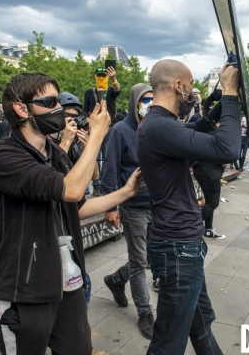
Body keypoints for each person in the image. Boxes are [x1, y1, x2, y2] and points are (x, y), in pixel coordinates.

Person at [0, 73, 141, 355]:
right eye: (50, 101)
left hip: (66, 282)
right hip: (24, 289)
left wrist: (126, 193)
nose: (59, 108)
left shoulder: (54, 151)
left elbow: (76, 207)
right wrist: (97, 137)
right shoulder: (3, 156)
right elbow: (71, 190)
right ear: (22, 109)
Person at [137, 60, 240, 354]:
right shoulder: (158, 126)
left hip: (182, 245)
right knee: (168, 343)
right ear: (178, 86)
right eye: (192, 87)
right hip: (177, 248)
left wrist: (227, 96)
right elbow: (228, 149)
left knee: (201, 325)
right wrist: (230, 92)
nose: (193, 94)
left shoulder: (160, 124)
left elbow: (200, 125)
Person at [101, 84, 155, 339]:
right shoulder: (120, 131)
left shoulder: (155, 128)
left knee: (150, 257)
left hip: (158, 204)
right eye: (145, 99)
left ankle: (116, 280)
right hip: (133, 207)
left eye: (154, 99)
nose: (150, 104)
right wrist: (110, 205)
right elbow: (110, 169)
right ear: (135, 101)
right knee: (138, 262)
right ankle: (145, 312)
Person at [83, 66, 121, 197]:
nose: (101, 77)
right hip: (94, 129)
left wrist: (113, 79)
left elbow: (118, 90)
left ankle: (107, 184)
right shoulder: (90, 92)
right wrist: (88, 121)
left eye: (103, 75)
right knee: (93, 155)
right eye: (99, 75)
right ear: (95, 76)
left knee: (107, 156)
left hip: (109, 128)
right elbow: (85, 109)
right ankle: (96, 184)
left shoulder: (109, 91)